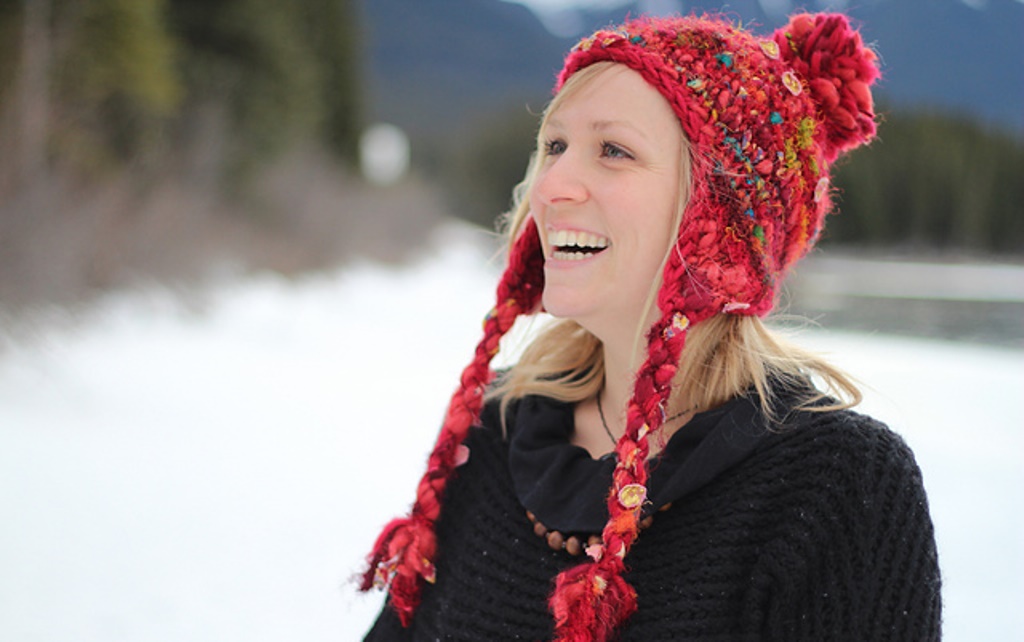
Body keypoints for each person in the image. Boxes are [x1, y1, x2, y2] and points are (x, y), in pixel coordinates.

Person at [360, 12, 941, 641]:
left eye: (614, 150)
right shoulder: (496, 427)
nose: (552, 185)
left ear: (720, 216)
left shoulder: (838, 485)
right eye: (554, 146)